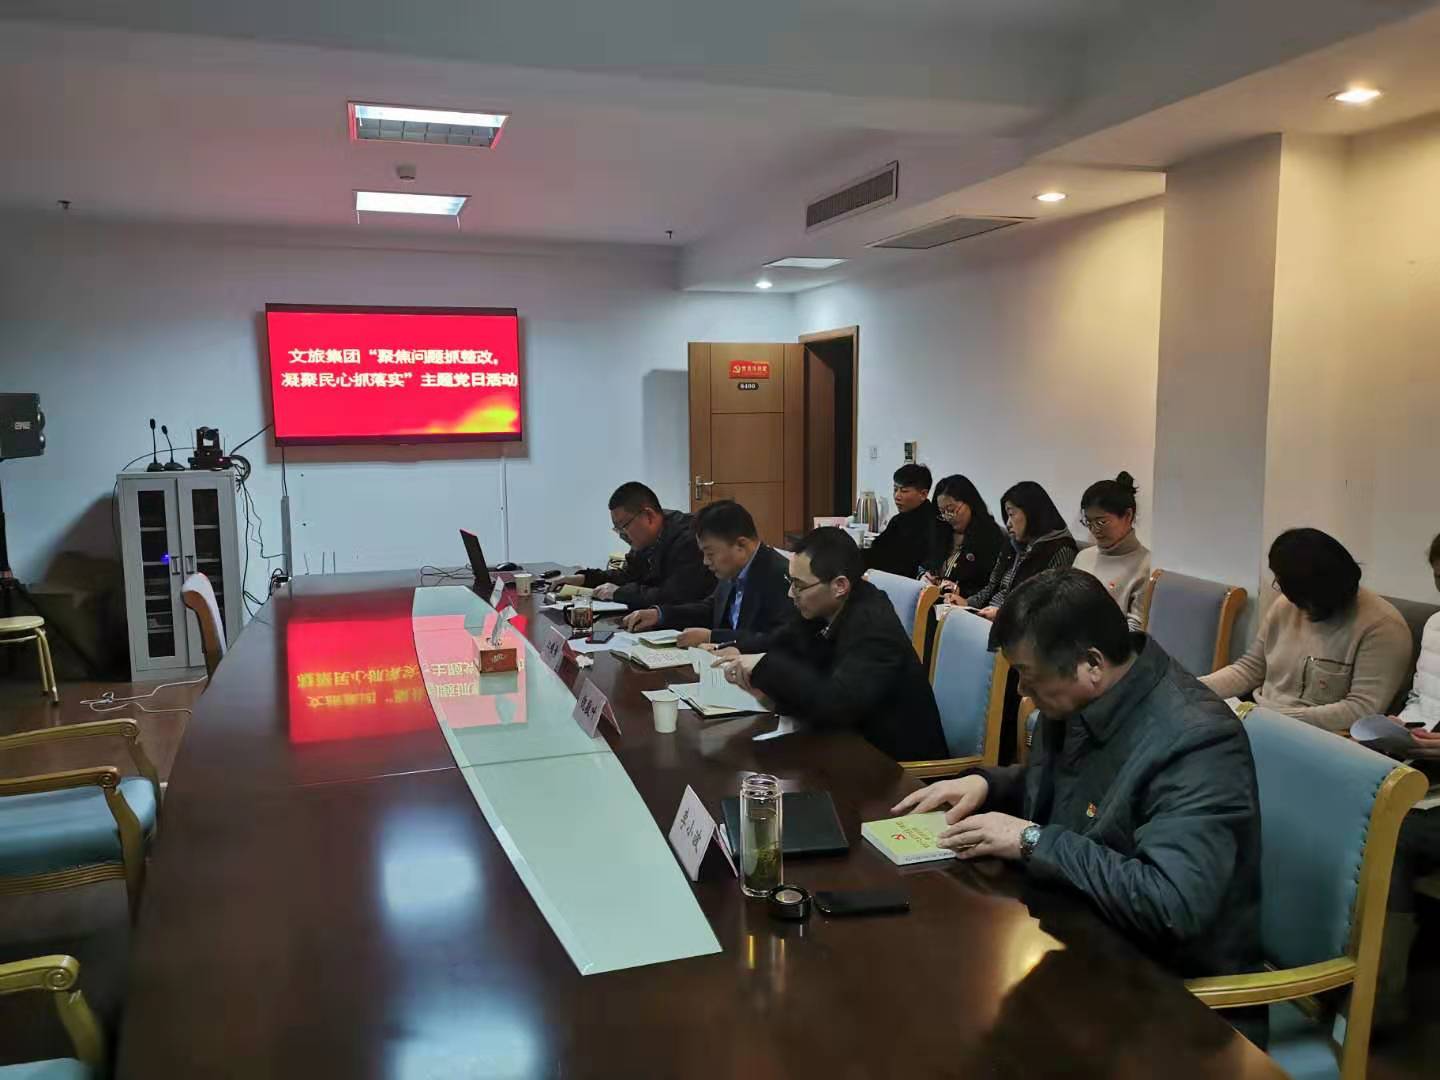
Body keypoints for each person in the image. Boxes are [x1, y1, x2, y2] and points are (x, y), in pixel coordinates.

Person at [892, 569, 1263, 987]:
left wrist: (1031, 840)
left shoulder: (1197, 741)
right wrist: (989, 785)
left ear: (1092, 663)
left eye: (1028, 675)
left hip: (1168, 987)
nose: (1021, 690)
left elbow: (1172, 904)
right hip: (1075, 935)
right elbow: (1077, 789)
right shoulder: (1085, 696)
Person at [719, 527, 947, 762]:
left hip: (895, 765)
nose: (790, 593)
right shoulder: (826, 608)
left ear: (840, 585)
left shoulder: (874, 628)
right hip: (845, 747)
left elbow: (836, 704)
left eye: (798, 585)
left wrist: (765, 666)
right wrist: (742, 656)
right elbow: (783, 642)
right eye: (790, 582)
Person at [1202, 527, 1412, 732]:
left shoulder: (1382, 627)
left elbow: (1361, 710)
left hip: (1322, 735)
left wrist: (1271, 717)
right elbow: (1250, 669)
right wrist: (1192, 689)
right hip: (1260, 718)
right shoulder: (1285, 606)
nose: (1282, 592)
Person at [1375, 531, 1440, 1028]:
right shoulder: (1436, 626)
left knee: (1389, 835)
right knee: (1354, 806)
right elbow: (1425, 699)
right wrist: (1403, 722)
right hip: (1426, 767)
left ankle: (1379, 998)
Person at [620, 499, 792, 651]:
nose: (705, 562)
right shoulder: (733, 570)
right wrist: (659, 615)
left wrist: (713, 637)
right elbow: (711, 609)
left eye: (710, 554)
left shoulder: (781, 576)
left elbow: (777, 640)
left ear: (741, 545)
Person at [561, 481, 715, 610]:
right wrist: (585, 578)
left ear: (648, 516)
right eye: (617, 529)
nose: (622, 535)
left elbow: (674, 596)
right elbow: (629, 575)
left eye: (624, 526)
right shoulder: (647, 539)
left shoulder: (689, 539)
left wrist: (620, 593)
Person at [962, 481, 1078, 620]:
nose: (1008, 523)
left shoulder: (1061, 550)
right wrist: (966, 603)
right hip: (987, 616)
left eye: (1011, 514)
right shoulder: (1013, 544)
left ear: (1032, 513)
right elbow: (992, 586)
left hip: (1015, 626)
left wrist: (1002, 616)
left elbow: (1046, 607)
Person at [1071, 471, 1151, 631]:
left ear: (1128, 515)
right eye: (1088, 522)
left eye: (1101, 522)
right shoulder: (1083, 557)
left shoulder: (1146, 564)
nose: (1094, 529)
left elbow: (1135, 629)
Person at [923, 474, 1006, 604]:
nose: (948, 517)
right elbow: (925, 563)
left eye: (951, 510)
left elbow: (992, 586)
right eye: (942, 512)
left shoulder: (991, 536)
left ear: (970, 503)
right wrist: (925, 576)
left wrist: (961, 591)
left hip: (965, 606)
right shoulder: (941, 532)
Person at [864, 463, 946, 578]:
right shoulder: (897, 520)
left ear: (923, 494)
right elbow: (877, 551)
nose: (897, 496)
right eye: (895, 489)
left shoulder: (934, 523)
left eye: (904, 491)